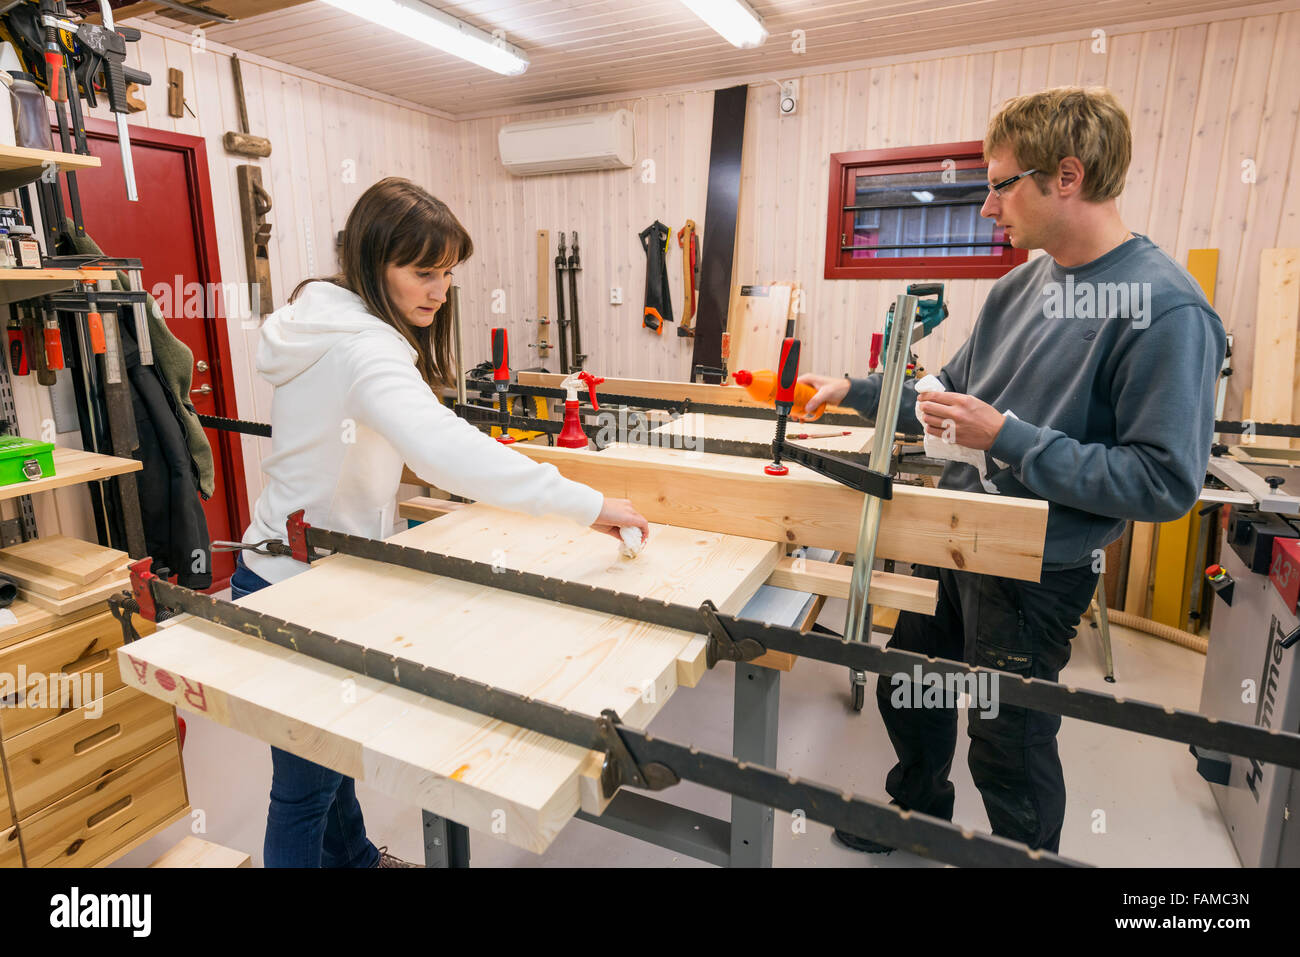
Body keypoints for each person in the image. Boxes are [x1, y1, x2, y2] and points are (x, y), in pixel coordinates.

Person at [799, 87, 1225, 855]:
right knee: (908, 681)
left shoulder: (1167, 310)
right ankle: (917, 805)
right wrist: (860, 393)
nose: (988, 208)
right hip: (957, 536)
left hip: (1037, 565)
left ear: (1067, 175)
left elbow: (1163, 482)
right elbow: (949, 401)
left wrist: (1011, 438)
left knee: (1008, 736)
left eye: (999, 184)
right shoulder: (1020, 286)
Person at [231, 177, 650, 868]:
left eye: (448, 273)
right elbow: (444, 453)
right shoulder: (364, 348)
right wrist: (587, 504)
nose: (439, 289)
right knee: (302, 789)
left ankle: (357, 858)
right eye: (422, 272)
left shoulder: (318, 318)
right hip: (303, 589)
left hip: (288, 567)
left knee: (330, 755)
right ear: (372, 263)